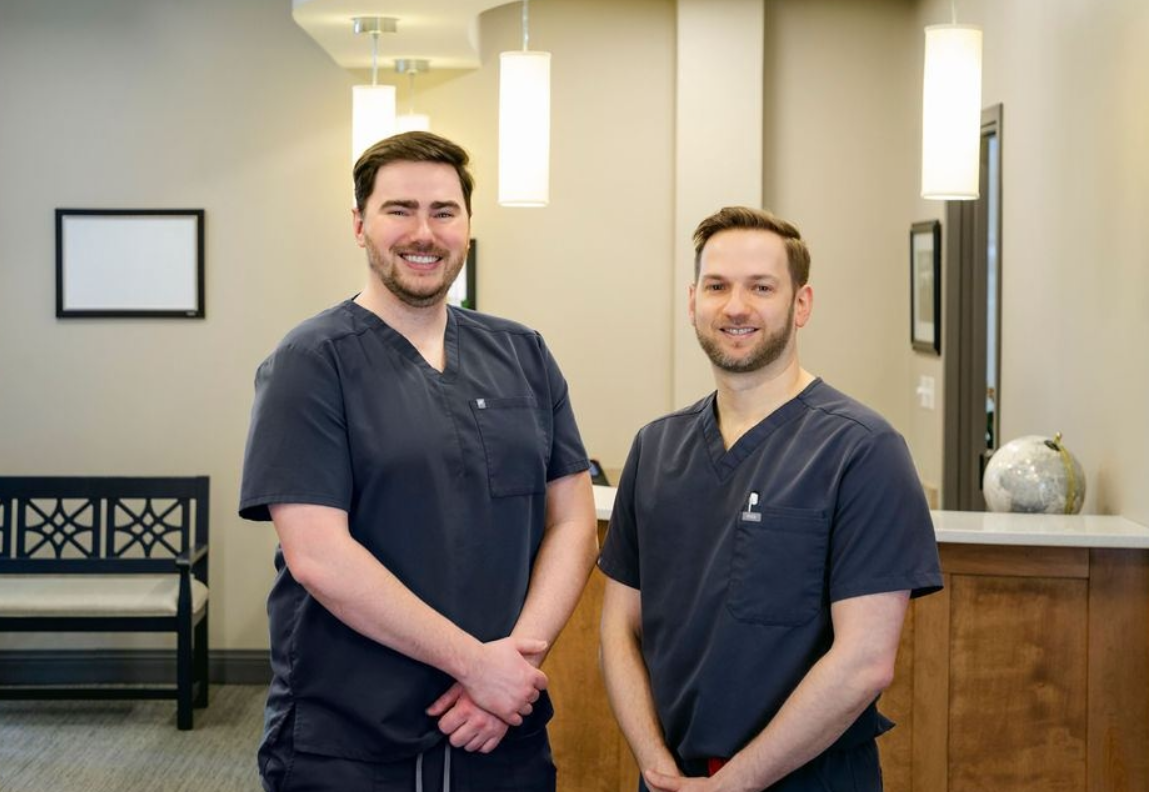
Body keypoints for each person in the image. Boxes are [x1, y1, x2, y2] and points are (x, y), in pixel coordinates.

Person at [239, 131, 597, 792]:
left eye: (443, 211)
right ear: (359, 225)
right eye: (399, 210)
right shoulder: (311, 363)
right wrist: (477, 666)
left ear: (466, 225)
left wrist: (510, 669)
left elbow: (572, 520)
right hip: (351, 737)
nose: (422, 232)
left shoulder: (522, 353)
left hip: (500, 731)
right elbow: (320, 555)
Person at [598, 206, 942, 792]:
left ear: (801, 304)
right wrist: (656, 768)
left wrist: (735, 785)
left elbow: (864, 662)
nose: (736, 306)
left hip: (809, 778)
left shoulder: (862, 450)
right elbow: (617, 629)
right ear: (692, 301)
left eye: (761, 287)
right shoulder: (655, 447)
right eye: (717, 286)